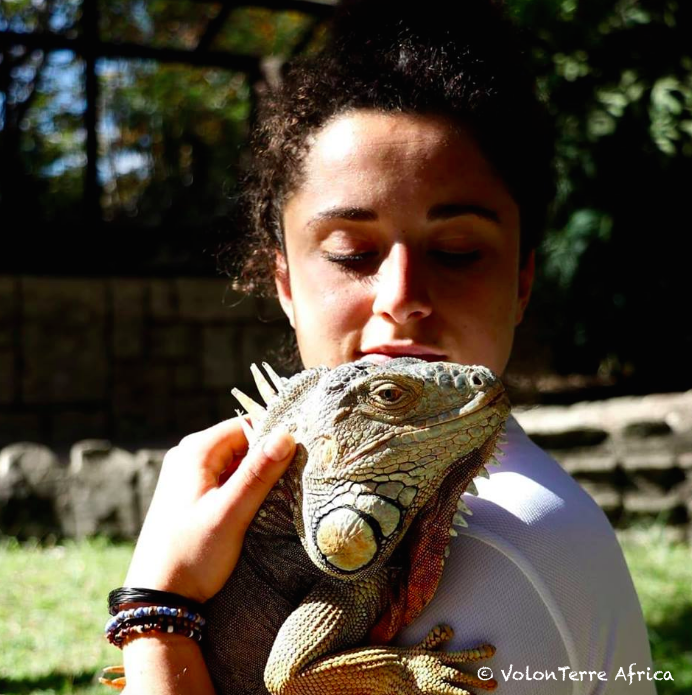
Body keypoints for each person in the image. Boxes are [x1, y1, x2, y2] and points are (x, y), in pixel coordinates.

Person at [114, 1, 655, 693]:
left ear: (522, 284)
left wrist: (155, 613)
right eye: (351, 252)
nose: (401, 296)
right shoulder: (250, 520)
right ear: (284, 282)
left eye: (457, 251)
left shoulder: (500, 554)